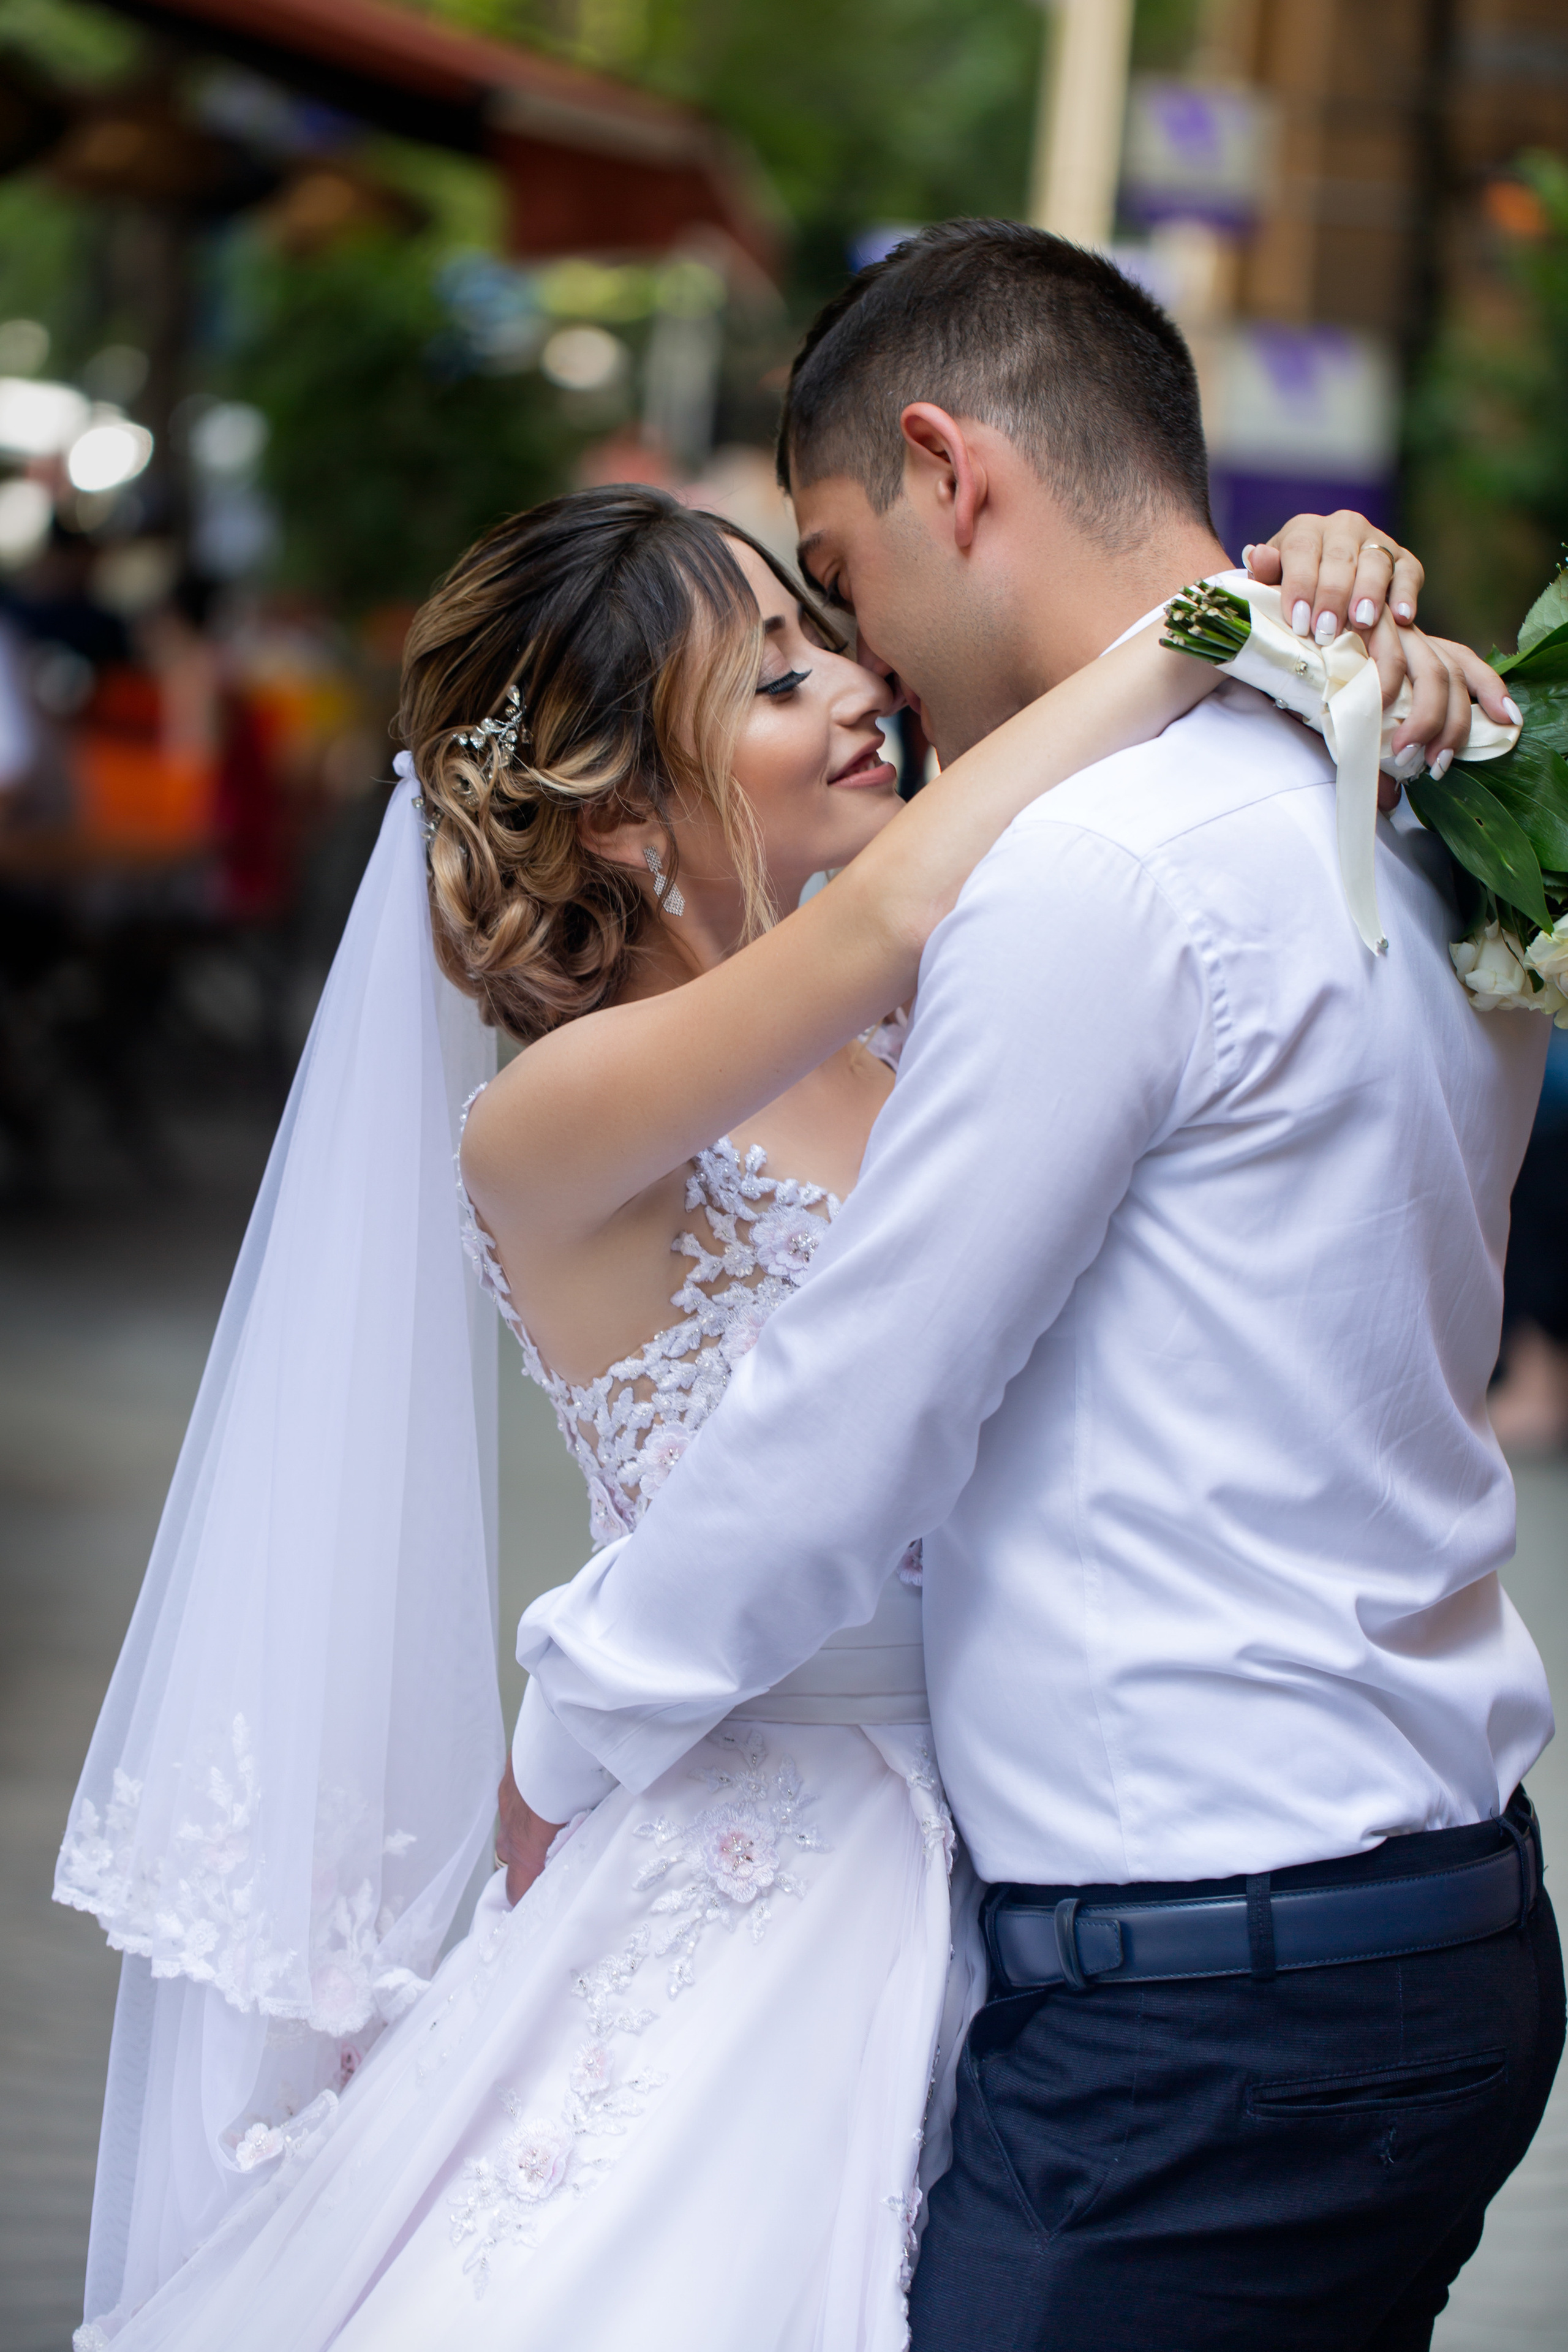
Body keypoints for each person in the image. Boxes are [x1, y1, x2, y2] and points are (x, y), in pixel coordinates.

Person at [59, 440, 1477, 2346]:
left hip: (1033, 1822)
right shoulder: (553, 1116)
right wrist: (1217, 620)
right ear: (632, 817)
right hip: (760, 1859)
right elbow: (883, 915)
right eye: (781, 681)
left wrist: (1345, 608)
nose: (863, 694)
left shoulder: (933, 1014)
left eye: (832, 643)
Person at [506, 222, 1564, 2351]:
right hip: (1444, 1917)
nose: (868, 659)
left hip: (1199, 2005)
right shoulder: (1430, 784)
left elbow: (857, 1413)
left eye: (841, 570)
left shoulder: (1104, 874)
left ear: (947, 471)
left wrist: (567, 1737)